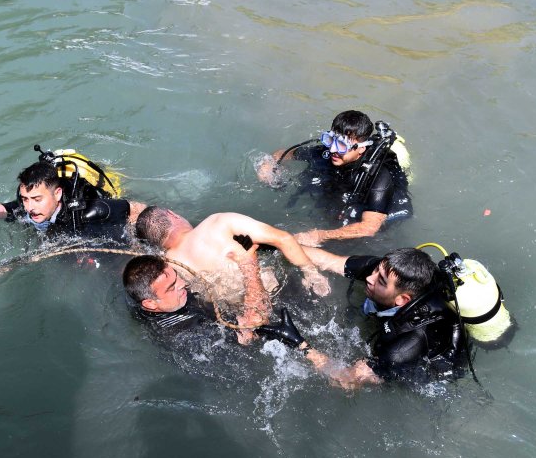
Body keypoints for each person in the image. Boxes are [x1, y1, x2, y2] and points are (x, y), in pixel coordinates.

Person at [256, 247, 467, 389]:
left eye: (380, 280)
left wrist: (299, 344)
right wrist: (273, 243)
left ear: (402, 299)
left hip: (430, 369)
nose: (369, 277)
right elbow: (329, 260)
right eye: (376, 269)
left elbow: (347, 381)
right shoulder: (383, 272)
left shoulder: (403, 347)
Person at [255, 110, 412, 246]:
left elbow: (369, 228)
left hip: (381, 203)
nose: (333, 150)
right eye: (331, 140)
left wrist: (320, 235)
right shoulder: (328, 152)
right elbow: (284, 153)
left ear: (361, 148)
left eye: (342, 146)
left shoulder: (378, 176)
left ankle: (400, 151)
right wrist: (268, 166)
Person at [134, 206, 331, 303]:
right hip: (283, 293)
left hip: (249, 316)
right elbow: (284, 239)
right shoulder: (217, 222)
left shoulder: (170, 269)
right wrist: (313, 275)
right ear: (173, 215)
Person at [0, 160, 145, 241]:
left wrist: (136, 243)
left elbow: (137, 209)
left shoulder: (93, 210)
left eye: (37, 199)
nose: (30, 207)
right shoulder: (27, 208)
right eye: (25, 199)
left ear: (57, 194)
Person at [122, 247, 270, 345]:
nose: (183, 283)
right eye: (171, 286)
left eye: (177, 276)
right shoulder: (184, 334)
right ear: (150, 304)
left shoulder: (162, 301)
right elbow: (246, 336)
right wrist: (250, 268)